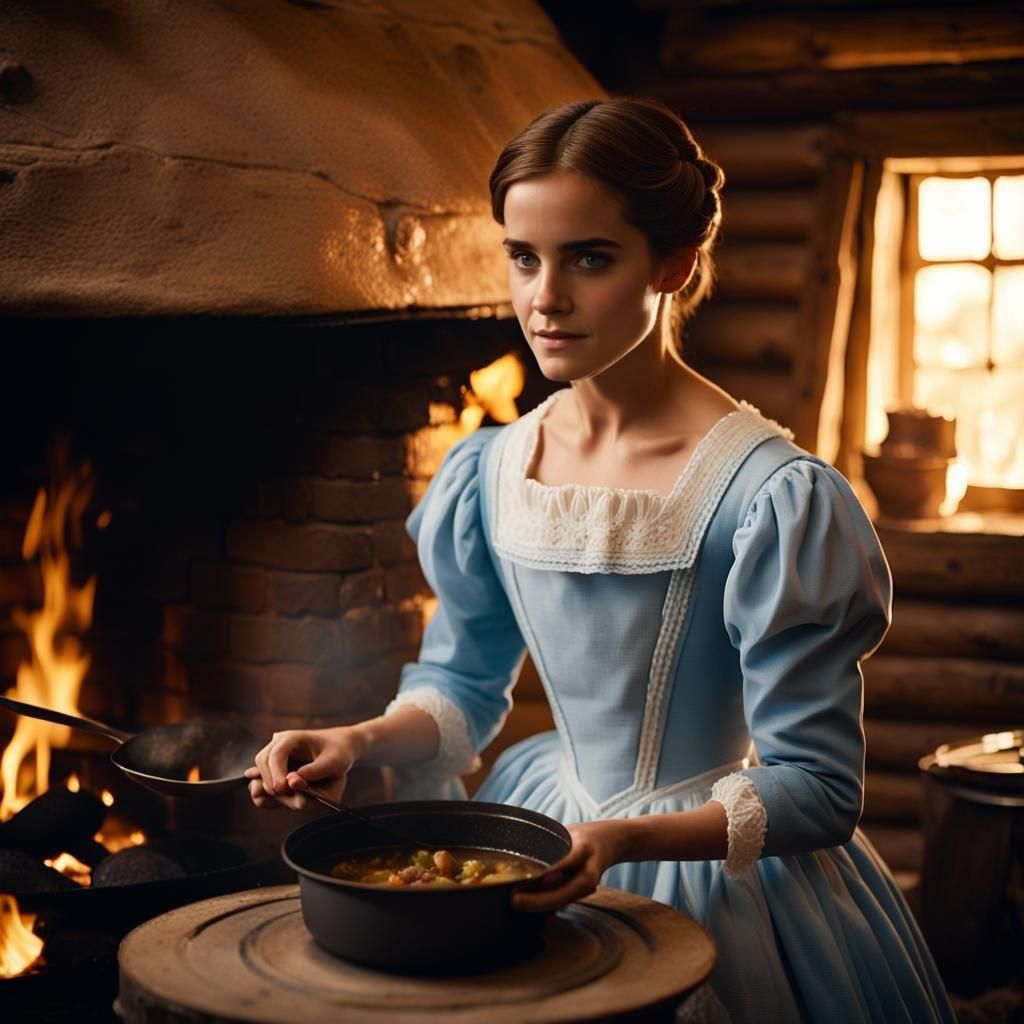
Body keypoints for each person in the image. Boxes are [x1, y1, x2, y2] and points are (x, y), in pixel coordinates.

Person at [245, 96, 956, 1023]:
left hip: (720, 879)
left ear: (674, 262)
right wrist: (356, 742)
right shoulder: (492, 470)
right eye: (523, 256)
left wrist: (623, 839)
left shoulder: (774, 497)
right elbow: (462, 688)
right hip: (547, 823)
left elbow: (820, 790)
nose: (545, 298)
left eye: (589, 257)